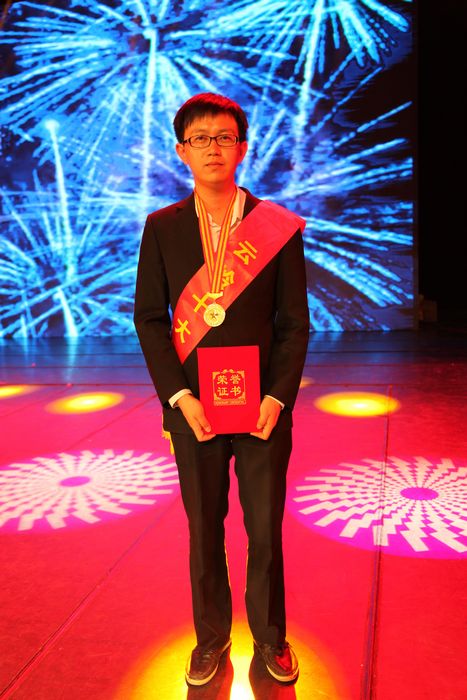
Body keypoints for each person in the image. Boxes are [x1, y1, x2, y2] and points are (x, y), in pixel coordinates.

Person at [134, 93, 309, 686]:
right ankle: (210, 640)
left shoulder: (277, 227)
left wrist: (277, 397)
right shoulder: (162, 227)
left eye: (224, 137)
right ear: (182, 151)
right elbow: (150, 318)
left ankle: (271, 639)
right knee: (204, 531)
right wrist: (178, 398)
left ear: (242, 147)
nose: (213, 147)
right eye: (200, 138)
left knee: (265, 531)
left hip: (262, 409)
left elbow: (294, 323)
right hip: (194, 410)